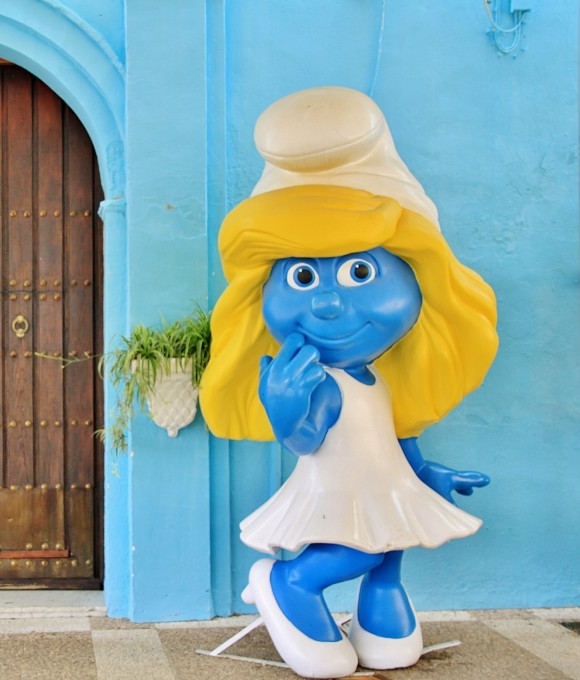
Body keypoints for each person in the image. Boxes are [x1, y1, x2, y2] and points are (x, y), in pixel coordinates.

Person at [199, 87, 498, 678]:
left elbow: (395, 442)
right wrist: (285, 408)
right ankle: (290, 582)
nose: (331, 301)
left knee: (393, 541)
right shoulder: (323, 381)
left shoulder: (381, 379)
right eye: (304, 276)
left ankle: (379, 611)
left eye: (360, 271)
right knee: (364, 544)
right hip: (337, 492)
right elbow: (307, 440)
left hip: (381, 485)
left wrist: (430, 474)